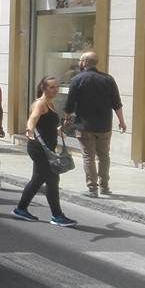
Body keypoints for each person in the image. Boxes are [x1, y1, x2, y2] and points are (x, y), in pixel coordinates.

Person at [12, 77, 77, 227]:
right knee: (52, 180)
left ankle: (21, 209)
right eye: (52, 87)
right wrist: (29, 130)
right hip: (39, 149)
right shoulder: (40, 104)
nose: (56, 90)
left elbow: (46, 126)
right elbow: (33, 119)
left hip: (47, 148)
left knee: (39, 180)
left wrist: (60, 130)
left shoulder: (50, 104)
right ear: (44, 88)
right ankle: (57, 215)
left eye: (57, 87)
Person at [64, 51, 127, 198]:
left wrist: (67, 119)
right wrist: (122, 121)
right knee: (104, 156)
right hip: (104, 125)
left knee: (88, 156)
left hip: (85, 126)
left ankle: (92, 188)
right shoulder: (108, 79)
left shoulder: (77, 79)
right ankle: (104, 186)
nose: (79, 63)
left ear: (85, 62)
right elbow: (117, 103)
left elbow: (69, 104)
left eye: (80, 60)